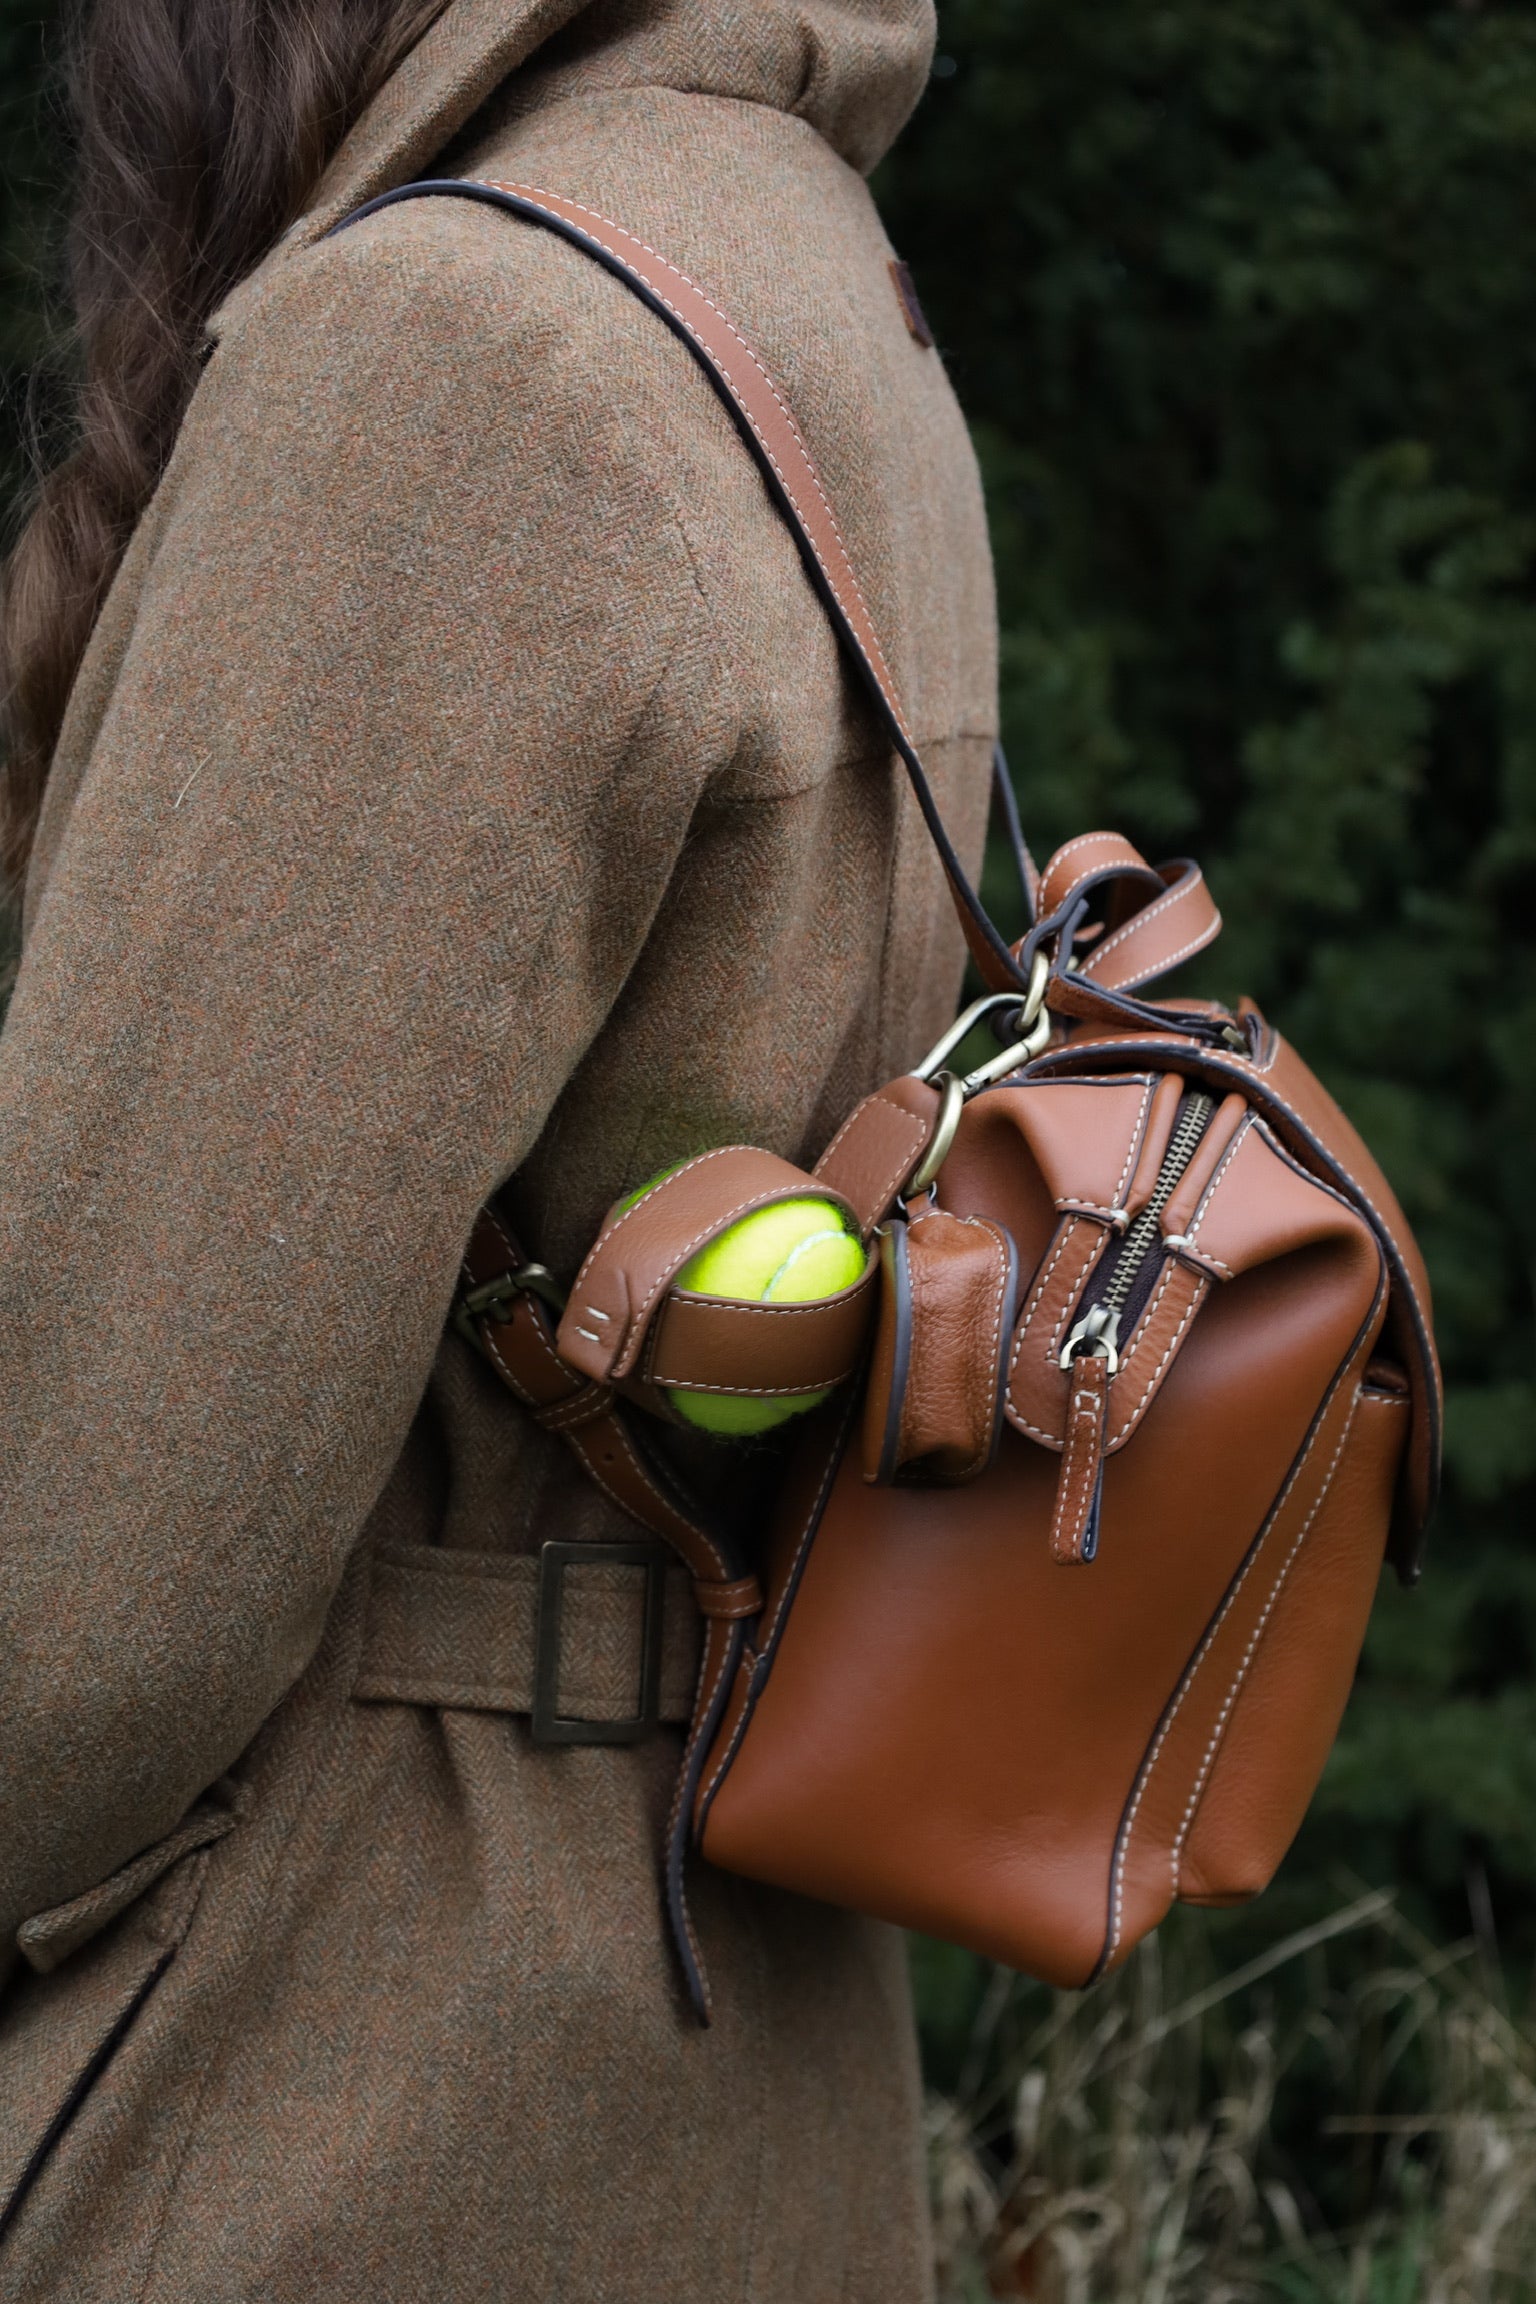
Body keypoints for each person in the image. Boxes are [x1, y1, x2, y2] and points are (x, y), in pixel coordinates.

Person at [0, 0, 996, 2294]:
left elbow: (76, 1611)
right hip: (716, 2067)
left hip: (331, 2096)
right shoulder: (801, 263)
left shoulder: (456, 363)